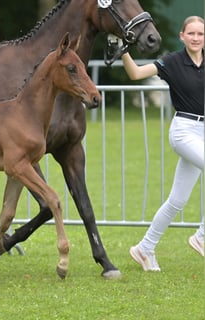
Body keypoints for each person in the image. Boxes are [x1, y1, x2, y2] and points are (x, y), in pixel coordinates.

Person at [121, 15, 205, 271]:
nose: (195, 38)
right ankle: (202, 236)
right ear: (182, 36)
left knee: (177, 201)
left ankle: (144, 248)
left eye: (200, 34)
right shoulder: (171, 62)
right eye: (191, 33)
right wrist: (123, 50)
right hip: (183, 131)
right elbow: (135, 73)